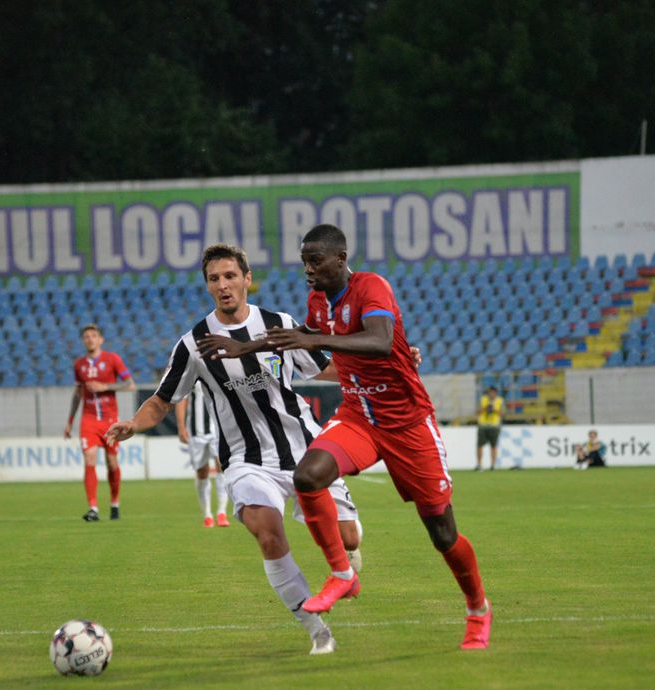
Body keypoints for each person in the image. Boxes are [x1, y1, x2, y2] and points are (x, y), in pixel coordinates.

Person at [237, 223, 491, 650]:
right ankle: (342, 574)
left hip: (407, 424)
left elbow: (378, 340)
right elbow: (334, 353)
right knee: (309, 475)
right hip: (359, 417)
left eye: (315, 260)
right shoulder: (317, 302)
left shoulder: (371, 287)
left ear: (340, 258)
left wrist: (313, 337)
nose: (308, 269)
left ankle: (477, 609)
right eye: (304, 261)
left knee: (442, 533)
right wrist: (251, 348)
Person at [107, 243, 363, 655]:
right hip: (245, 460)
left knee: (348, 537)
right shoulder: (193, 344)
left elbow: (325, 367)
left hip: (304, 449)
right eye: (214, 279)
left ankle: (349, 558)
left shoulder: (278, 323)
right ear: (207, 286)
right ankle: (317, 631)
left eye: (230, 276)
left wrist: (389, 365)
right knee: (268, 534)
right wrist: (133, 424)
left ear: (247, 279)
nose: (223, 285)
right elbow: (162, 399)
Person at [64, 324, 135, 521]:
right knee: (89, 459)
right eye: (86, 336)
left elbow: (130, 385)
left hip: (110, 420)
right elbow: (78, 393)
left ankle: (114, 503)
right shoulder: (79, 365)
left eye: (93, 336)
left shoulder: (112, 359)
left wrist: (105, 387)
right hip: (88, 420)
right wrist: (70, 421)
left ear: (100, 339)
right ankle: (93, 508)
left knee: (112, 463)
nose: (90, 339)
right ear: (83, 340)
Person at [175, 383, 231, 528]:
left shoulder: (220, 368)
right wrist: (181, 427)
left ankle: (221, 512)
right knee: (202, 472)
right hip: (196, 432)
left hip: (218, 429)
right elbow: (181, 399)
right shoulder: (192, 369)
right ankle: (207, 514)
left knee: (222, 465)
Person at [476, 385, 504, 470]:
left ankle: (492, 465)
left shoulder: (500, 401)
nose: (491, 394)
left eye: (492, 392)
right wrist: (486, 408)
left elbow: (503, 414)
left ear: (495, 393)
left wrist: (494, 409)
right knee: (479, 446)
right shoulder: (483, 400)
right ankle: (479, 465)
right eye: (489, 392)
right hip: (483, 426)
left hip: (494, 426)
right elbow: (477, 412)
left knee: (493, 446)